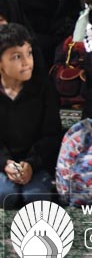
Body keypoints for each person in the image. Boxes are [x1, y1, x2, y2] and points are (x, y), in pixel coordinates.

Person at [0, 24, 59, 208]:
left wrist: (32, 163)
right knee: (5, 195)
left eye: (29, 53)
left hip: (36, 162)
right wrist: (5, 163)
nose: (27, 62)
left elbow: (52, 134)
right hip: (4, 164)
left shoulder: (43, 88)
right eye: (17, 57)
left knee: (37, 197)